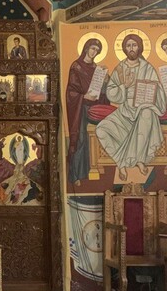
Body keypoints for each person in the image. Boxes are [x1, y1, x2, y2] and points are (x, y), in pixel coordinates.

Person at [96, 34, 166, 181]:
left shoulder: (147, 68)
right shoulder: (120, 68)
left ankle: (140, 159)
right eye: (128, 46)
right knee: (101, 129)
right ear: (124, 48)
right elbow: (110, 92)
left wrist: (149, 90)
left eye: (134, 45)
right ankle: (120, 162)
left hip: (143, 108)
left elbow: (159, 91)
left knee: (147, 114)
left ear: (139, 47)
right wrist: (124, 86)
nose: (131, 48)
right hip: (125, 110)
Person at [65, 40, 110, 185]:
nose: (94, 52)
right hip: (81, 108)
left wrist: (105, 81)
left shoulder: (97, 68)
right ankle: (76, 175)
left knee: (94, 138)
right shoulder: (76, 66)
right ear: (86, 48)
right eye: (92, 48)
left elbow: (101, 92)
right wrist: (84, 96)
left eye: (97, 50)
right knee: (81, 139)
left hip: (93, 108)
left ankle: (93, 169)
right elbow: (71, 91)